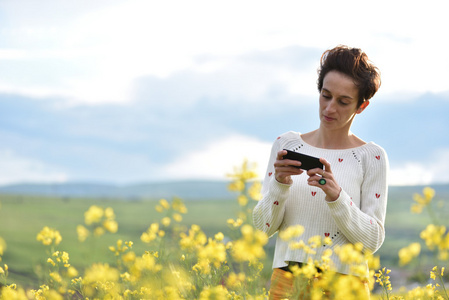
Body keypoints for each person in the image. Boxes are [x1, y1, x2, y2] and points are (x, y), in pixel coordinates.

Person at [252, 45, 388, 299]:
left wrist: (337, 197)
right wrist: (280, 184)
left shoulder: (373, 157)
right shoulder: (287, 144)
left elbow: (372, 241)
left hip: (346, 287)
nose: (330, 108)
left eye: (343, 101)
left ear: (362, 106)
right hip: (288, 281)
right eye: (326, 96)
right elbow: (261, 228)